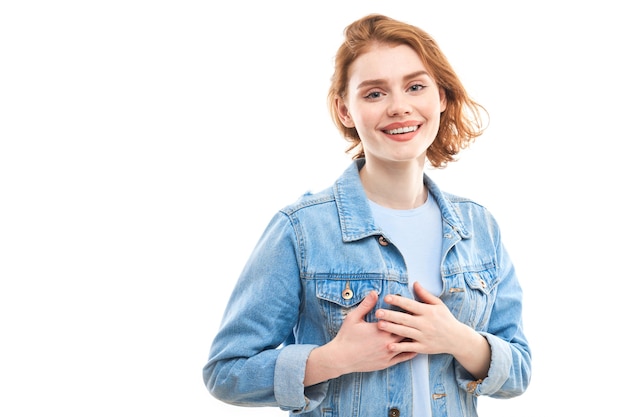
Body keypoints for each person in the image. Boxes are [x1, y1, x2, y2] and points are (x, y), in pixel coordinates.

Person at [203, 13, 531, 417]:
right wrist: (332, 359)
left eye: (415, 86)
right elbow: (226, 371)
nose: (399, 107)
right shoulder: (302, 229)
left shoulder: (479, 227)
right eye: (374, 94)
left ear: (441, 96)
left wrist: (458, 340)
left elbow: (519, 370)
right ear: (345, 110)